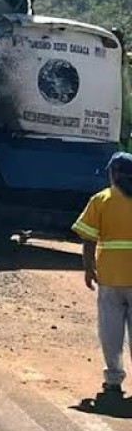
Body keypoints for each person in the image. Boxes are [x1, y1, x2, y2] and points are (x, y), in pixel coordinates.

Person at [72, 152, 132, 397]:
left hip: (110, 277)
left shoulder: (101, 200)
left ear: (114, 173)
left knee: (111, 333)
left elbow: (88, 238)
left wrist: (88, 268)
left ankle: (113, 382)